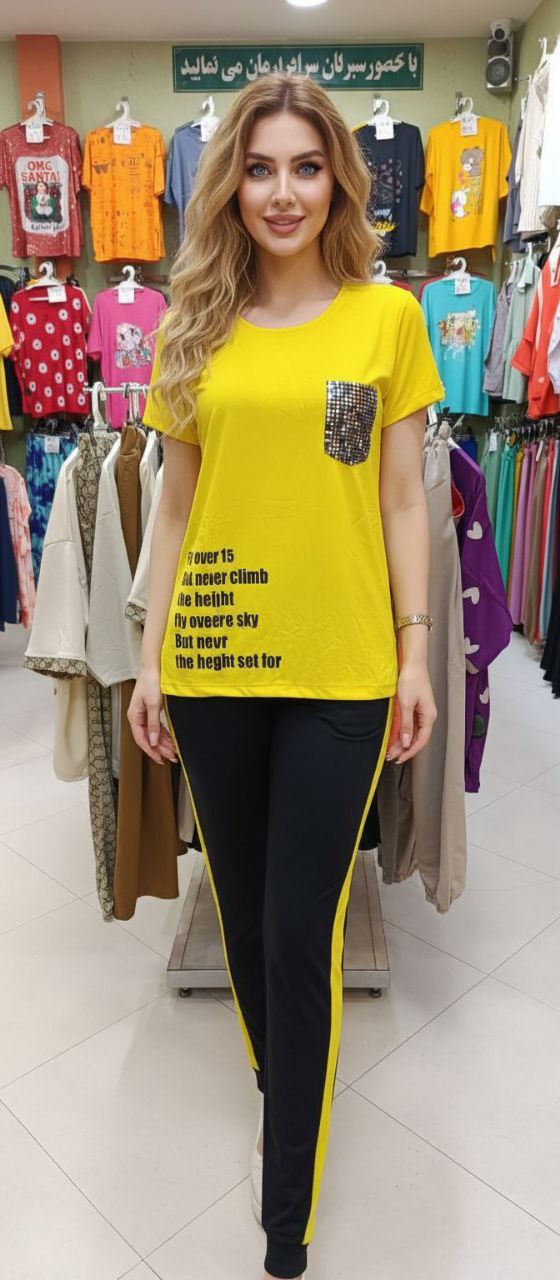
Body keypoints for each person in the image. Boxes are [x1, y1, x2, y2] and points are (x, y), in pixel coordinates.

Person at [129, 72, 443, 1280]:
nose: (281, 191)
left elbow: (399, 498)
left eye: (304, 167)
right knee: (247, 908)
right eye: (257, 167)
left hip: (338, 666)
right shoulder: (191, 324)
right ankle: (279, 1077)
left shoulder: (383, 322)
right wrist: (147, 656)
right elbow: (173, 508)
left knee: (297, 928)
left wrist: (413, 650)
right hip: (213, 660)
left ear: (337, 182)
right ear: (229, 184)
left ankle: (283, 1211)